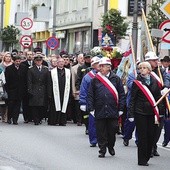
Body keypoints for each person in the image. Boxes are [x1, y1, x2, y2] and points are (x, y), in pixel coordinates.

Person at [88, 57, 126, 158]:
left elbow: (122, 94)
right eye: (100, 66)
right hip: (99, 109)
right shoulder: (95, 80)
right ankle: (102, 149)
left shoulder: (116, 79)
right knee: (101, 131)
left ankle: (111, 146)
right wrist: (91, 108)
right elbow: (90, 95)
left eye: (102, 66)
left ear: (109, 67)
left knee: (112, 131)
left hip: (113, 110)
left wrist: (121, 108)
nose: (100, 69)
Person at [128, 61, 163, 166]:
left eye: (144, 68)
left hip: (152, 113)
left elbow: (157, 98)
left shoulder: (155, 81)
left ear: (149, 70)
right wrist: (131, 114)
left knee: (151, 135)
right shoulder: (136, 83)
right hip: (140, 112)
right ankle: (142, 160)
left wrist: (160, 112)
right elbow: (132, 99)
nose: (142, 69)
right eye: (140, 68)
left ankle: (147, 155)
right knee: (143, 136)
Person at [145, 51, 170, 157]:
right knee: (149, 128)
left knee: (158, 128)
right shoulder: (144, 71)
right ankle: (148, 147)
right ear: (148, 61)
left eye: (156, 60)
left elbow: (167, 80)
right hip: (149, 104)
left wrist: (165, 87)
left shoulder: (161, 71)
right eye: (154, 60)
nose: (156, 62)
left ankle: (154, 146)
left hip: (160, 104)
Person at [79, 56, 100, 146]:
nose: (100, 66)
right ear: (93, 65)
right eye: (97, 64)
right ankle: (93, 140)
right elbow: (83, 89)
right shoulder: (88, 77)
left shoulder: (106, 75)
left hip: (103, 102)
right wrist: (83, 102)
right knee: (92, 123)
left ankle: (102, 140)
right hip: (92, 102)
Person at [48, 57, 72, 126]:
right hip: (55, 92)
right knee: (54, 106)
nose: (61, 63)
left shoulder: (67, 71)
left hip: (65, 91)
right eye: (60, 62)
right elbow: (49, 83)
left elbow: (70, 82)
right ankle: (54, 121)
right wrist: (49, 93)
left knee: (63, 106)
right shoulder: (52, 72)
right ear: (57, 63)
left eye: (62, 61)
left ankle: (62, 121)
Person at [5, 56, 28, 125]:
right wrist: (8, 90)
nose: (18, 63)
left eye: (19, 61)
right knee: (11, 105)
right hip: (12, 90)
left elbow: (25, 80)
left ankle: (15, 119)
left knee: (17, 105)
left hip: (20, 90)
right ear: (13, 61)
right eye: (16, 61)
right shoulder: (9, 69)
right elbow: (7, 80)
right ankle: (9, 117)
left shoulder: (24, 68)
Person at [27, 55, 49, 125]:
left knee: (42, 105)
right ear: (35, 61)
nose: (39, 62)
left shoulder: (45, 69)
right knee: (35, 105)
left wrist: (48, 91)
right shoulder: (31, 69)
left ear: (42, 61)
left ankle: (40, 118)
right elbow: (29, 81)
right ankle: (36, 119)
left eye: (40, 61)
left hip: (43, 89)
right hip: (34, 88)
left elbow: (48, 81)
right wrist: (30, 90)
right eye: (37, 61)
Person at [71, 53, 84, 126]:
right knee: (78, 106)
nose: (82, 59)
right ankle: (78, 120)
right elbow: (73, 80)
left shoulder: (87, 67)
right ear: (77, 59)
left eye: (83, 58)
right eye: (80, 58)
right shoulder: (74, 68)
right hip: (77, 89)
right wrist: (74, 91)